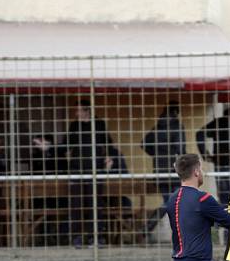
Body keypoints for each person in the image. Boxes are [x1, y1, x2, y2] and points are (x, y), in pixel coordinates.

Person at [63, 99, 127, 248]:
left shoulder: (98, 124)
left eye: (79, 110)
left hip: (95, 169)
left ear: (87, 111)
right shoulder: (74, 125)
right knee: (76, 205)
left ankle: (96, 237)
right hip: (77, 169)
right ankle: (77, 238)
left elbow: (108, 143)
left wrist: (110, 157)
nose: (76, 113)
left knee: (96, 205)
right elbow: (66, 145)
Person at [141, 101, 186, 239]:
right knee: (174, 201)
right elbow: (181, 149)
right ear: (176, 113)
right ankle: (150, 226)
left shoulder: (157, 127)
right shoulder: (176, 127)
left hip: (159, 170)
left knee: (171, 200)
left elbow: (143, 144)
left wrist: (156, 154)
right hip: (173, 170)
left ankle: (151, 227)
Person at [195, 105, 230, 202]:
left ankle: (225, 212)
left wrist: (205, 154)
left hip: (221, 161)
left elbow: (199, 134)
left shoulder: (219, 122)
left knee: (223, 194)